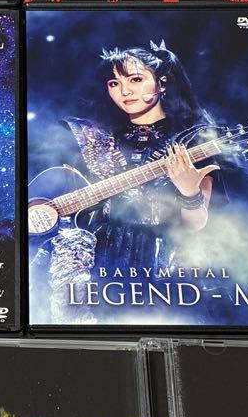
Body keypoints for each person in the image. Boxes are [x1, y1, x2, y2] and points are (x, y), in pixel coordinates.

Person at [36, 41, 218, 322]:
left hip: (160, 259)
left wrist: (188, 190)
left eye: (135, 79)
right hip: (94, 256)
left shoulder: (192, 140)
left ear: (162, 83)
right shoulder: (90, 135)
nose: (124, 91)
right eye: (114, 83)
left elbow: (196, 223)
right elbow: (49, 189)